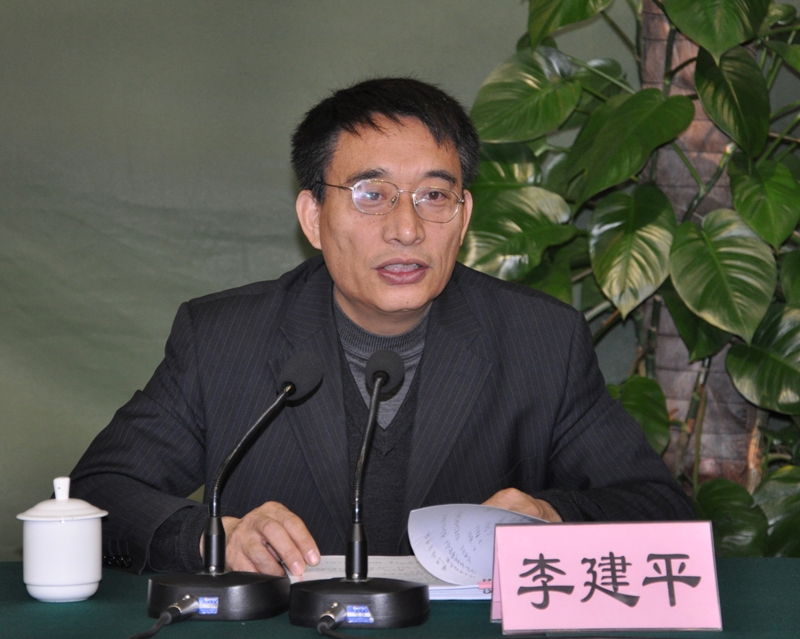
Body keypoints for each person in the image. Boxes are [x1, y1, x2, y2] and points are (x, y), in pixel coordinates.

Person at [69, 77, 693, 577]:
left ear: (463, 217)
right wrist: (215, 537)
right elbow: (97, 496)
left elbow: (662, 512)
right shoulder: (223, 339)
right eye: (372, 195)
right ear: (313, 217)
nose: (406, 229)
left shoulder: (541, 340)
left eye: (434, 197)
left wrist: (550, 516)